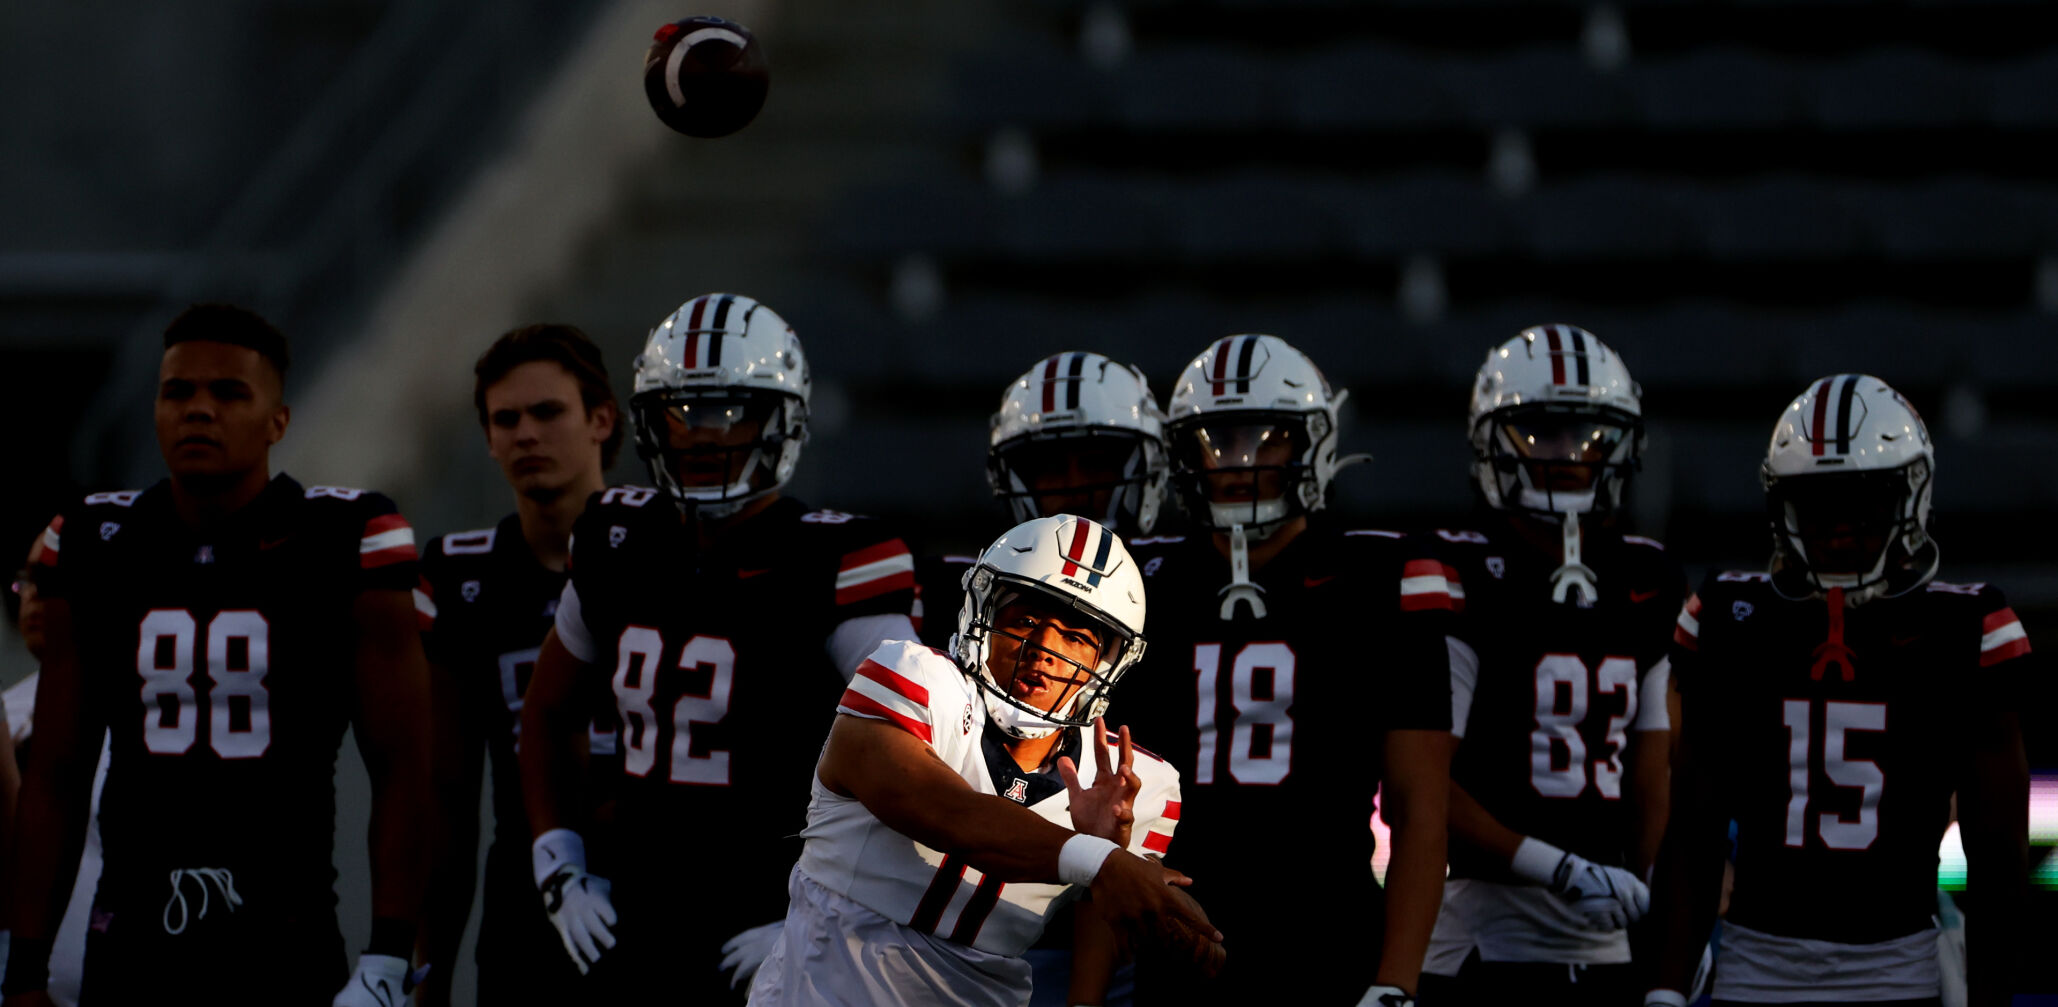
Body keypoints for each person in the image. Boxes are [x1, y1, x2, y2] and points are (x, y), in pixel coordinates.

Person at [1, 304, 432, 1007]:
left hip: (283, 941)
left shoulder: (343, 537)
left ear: (277, 420)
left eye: (229, 393)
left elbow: (404, 768)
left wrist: (387, 957)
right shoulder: (97, 539)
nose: (199, 410)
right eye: (178, 393)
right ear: (155, 409)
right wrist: (24, 971)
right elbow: (57, 771)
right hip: (131, 940)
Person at [518, 293, 919, 1002]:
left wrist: (831, 907)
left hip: (774, 916)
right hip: (634, 912)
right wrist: (558, 856)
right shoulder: (618, 536)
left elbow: (926, 759)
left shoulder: (838, 557)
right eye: (681, 412)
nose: (703, 436)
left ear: (783, 418)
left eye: (732, 412)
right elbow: (547, 709)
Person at [1645, 375, 2029, 1007]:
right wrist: (1664, 989)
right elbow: (1693, 834)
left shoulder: (1968, 629)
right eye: (1819, 504)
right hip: (1754, 971)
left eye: (1866, 501)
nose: (1842, 526)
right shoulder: (1729, 618)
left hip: (1897, 973)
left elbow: (2000, 863)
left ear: (1912, 496)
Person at [748, 514, 1221, 1007]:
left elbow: (1169, 940)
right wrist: (1098, 860)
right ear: (983, 615)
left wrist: (1173, 925)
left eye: (1076, 638)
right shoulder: (912, 680)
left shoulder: (1135, 783)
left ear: (1108, 664)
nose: (1044, 650)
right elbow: (948, 811)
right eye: (1028, 620)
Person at [1119, 334, 1457, 1006]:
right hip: (1179, 929)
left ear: (1312, 444)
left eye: (1264, 440)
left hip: (1329, 937)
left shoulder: (1383, 577)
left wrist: (1395, 981)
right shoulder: (1145, 579)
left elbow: (1421, 807)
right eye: (1217, 442)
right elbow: (1118, 812)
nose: (1239, 464)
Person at [1420, 327, 1682, 1004]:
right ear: (1491, 440)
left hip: (1607, 936)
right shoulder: (1456, 570)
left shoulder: (1646, 577)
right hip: (1479, 934)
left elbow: (1653, 782)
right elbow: (1423, 779)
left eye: (1589, 436)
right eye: (1541, 433)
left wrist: (1672, 928)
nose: (1568, 456)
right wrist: (1550, 862)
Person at [416, 324, 622, 1005]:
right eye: (506, 419)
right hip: (524, 907)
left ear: (601, 419)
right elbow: (446, 794)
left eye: (547, 412)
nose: (526, 433)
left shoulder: (667, 553)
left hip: (661, 897)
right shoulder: (460, 574)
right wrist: (425, 964)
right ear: (488, 438)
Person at [915, 351, 1167, 652]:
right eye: (1051, 468)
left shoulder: (1182, 581)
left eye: (1096, 464)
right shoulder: (955, 589)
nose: (1074, 484)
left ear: (1145, 470)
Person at [3, 533, 112, 1007]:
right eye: (27, 578)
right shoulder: (8, 707)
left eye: (53, 577)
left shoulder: (151, 715)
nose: (34, 593)